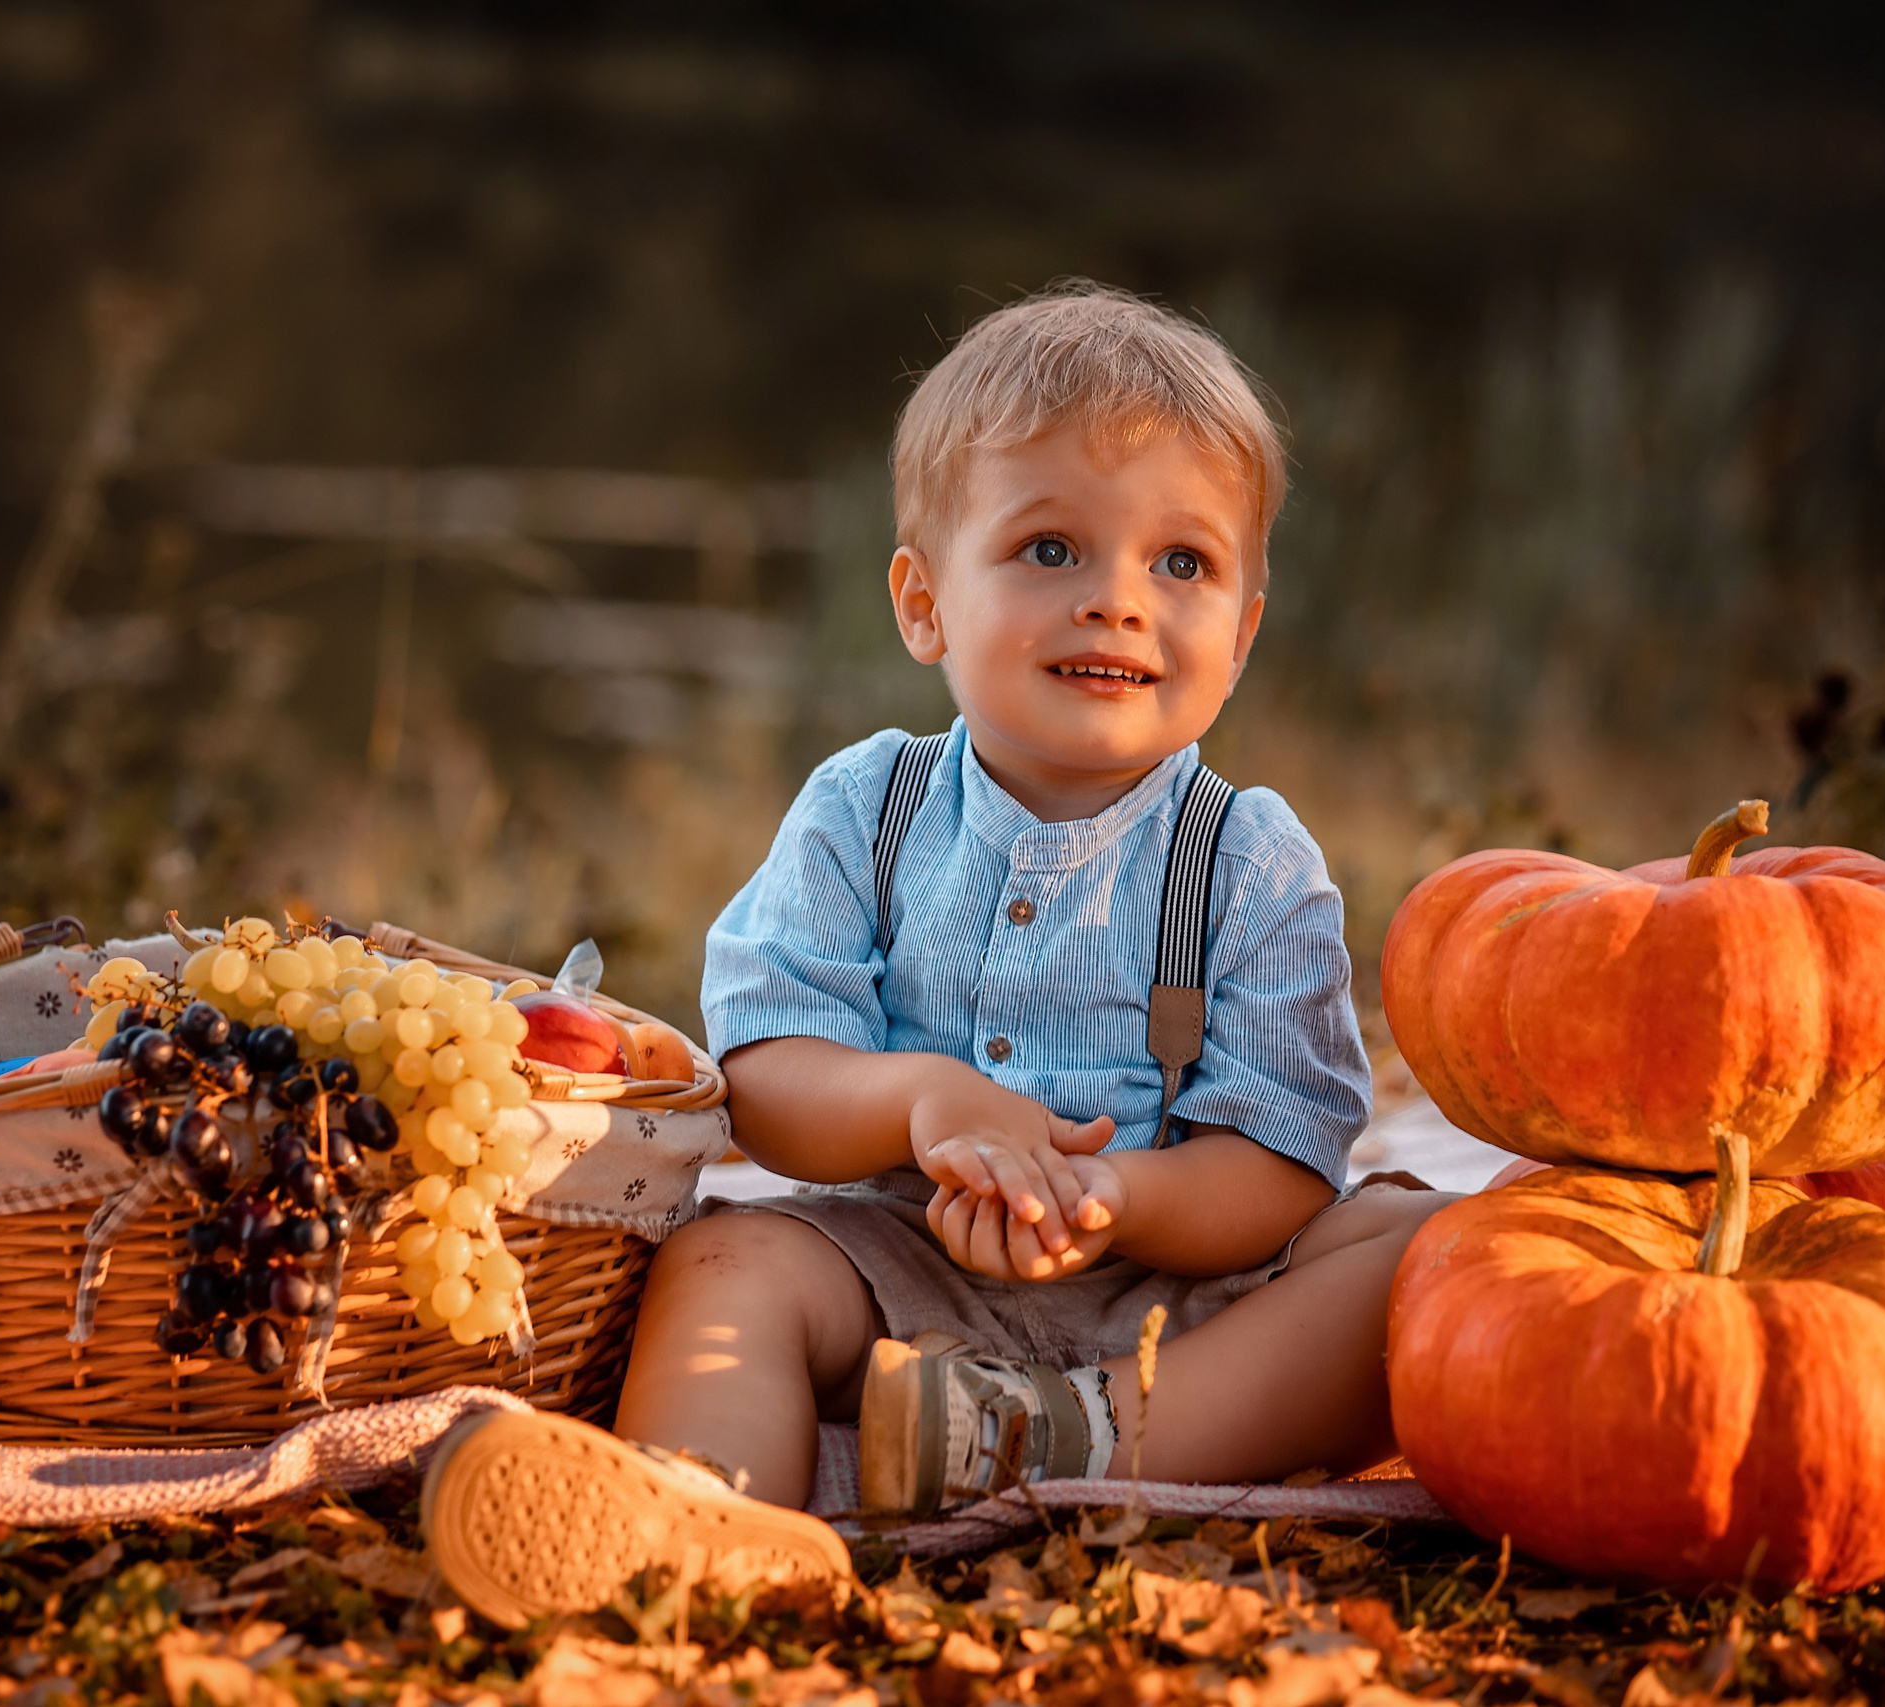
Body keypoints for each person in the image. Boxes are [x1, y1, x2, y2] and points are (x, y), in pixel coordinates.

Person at [422, 281, 1456, 1627]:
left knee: (1425, 1252)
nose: (1118, 604)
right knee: (725, 1266)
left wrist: (1117, 1205)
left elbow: (1276, 1160)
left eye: (1181, 565)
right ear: (924, 604)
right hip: (899, 1260)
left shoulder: (1249, 857)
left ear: (1244, 630)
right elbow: (768, 1071)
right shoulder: (870, 808)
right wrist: (922, 1103)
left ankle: (1052, 1441)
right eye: (1049, 551)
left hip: (1176, 1296)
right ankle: (699, 1516)